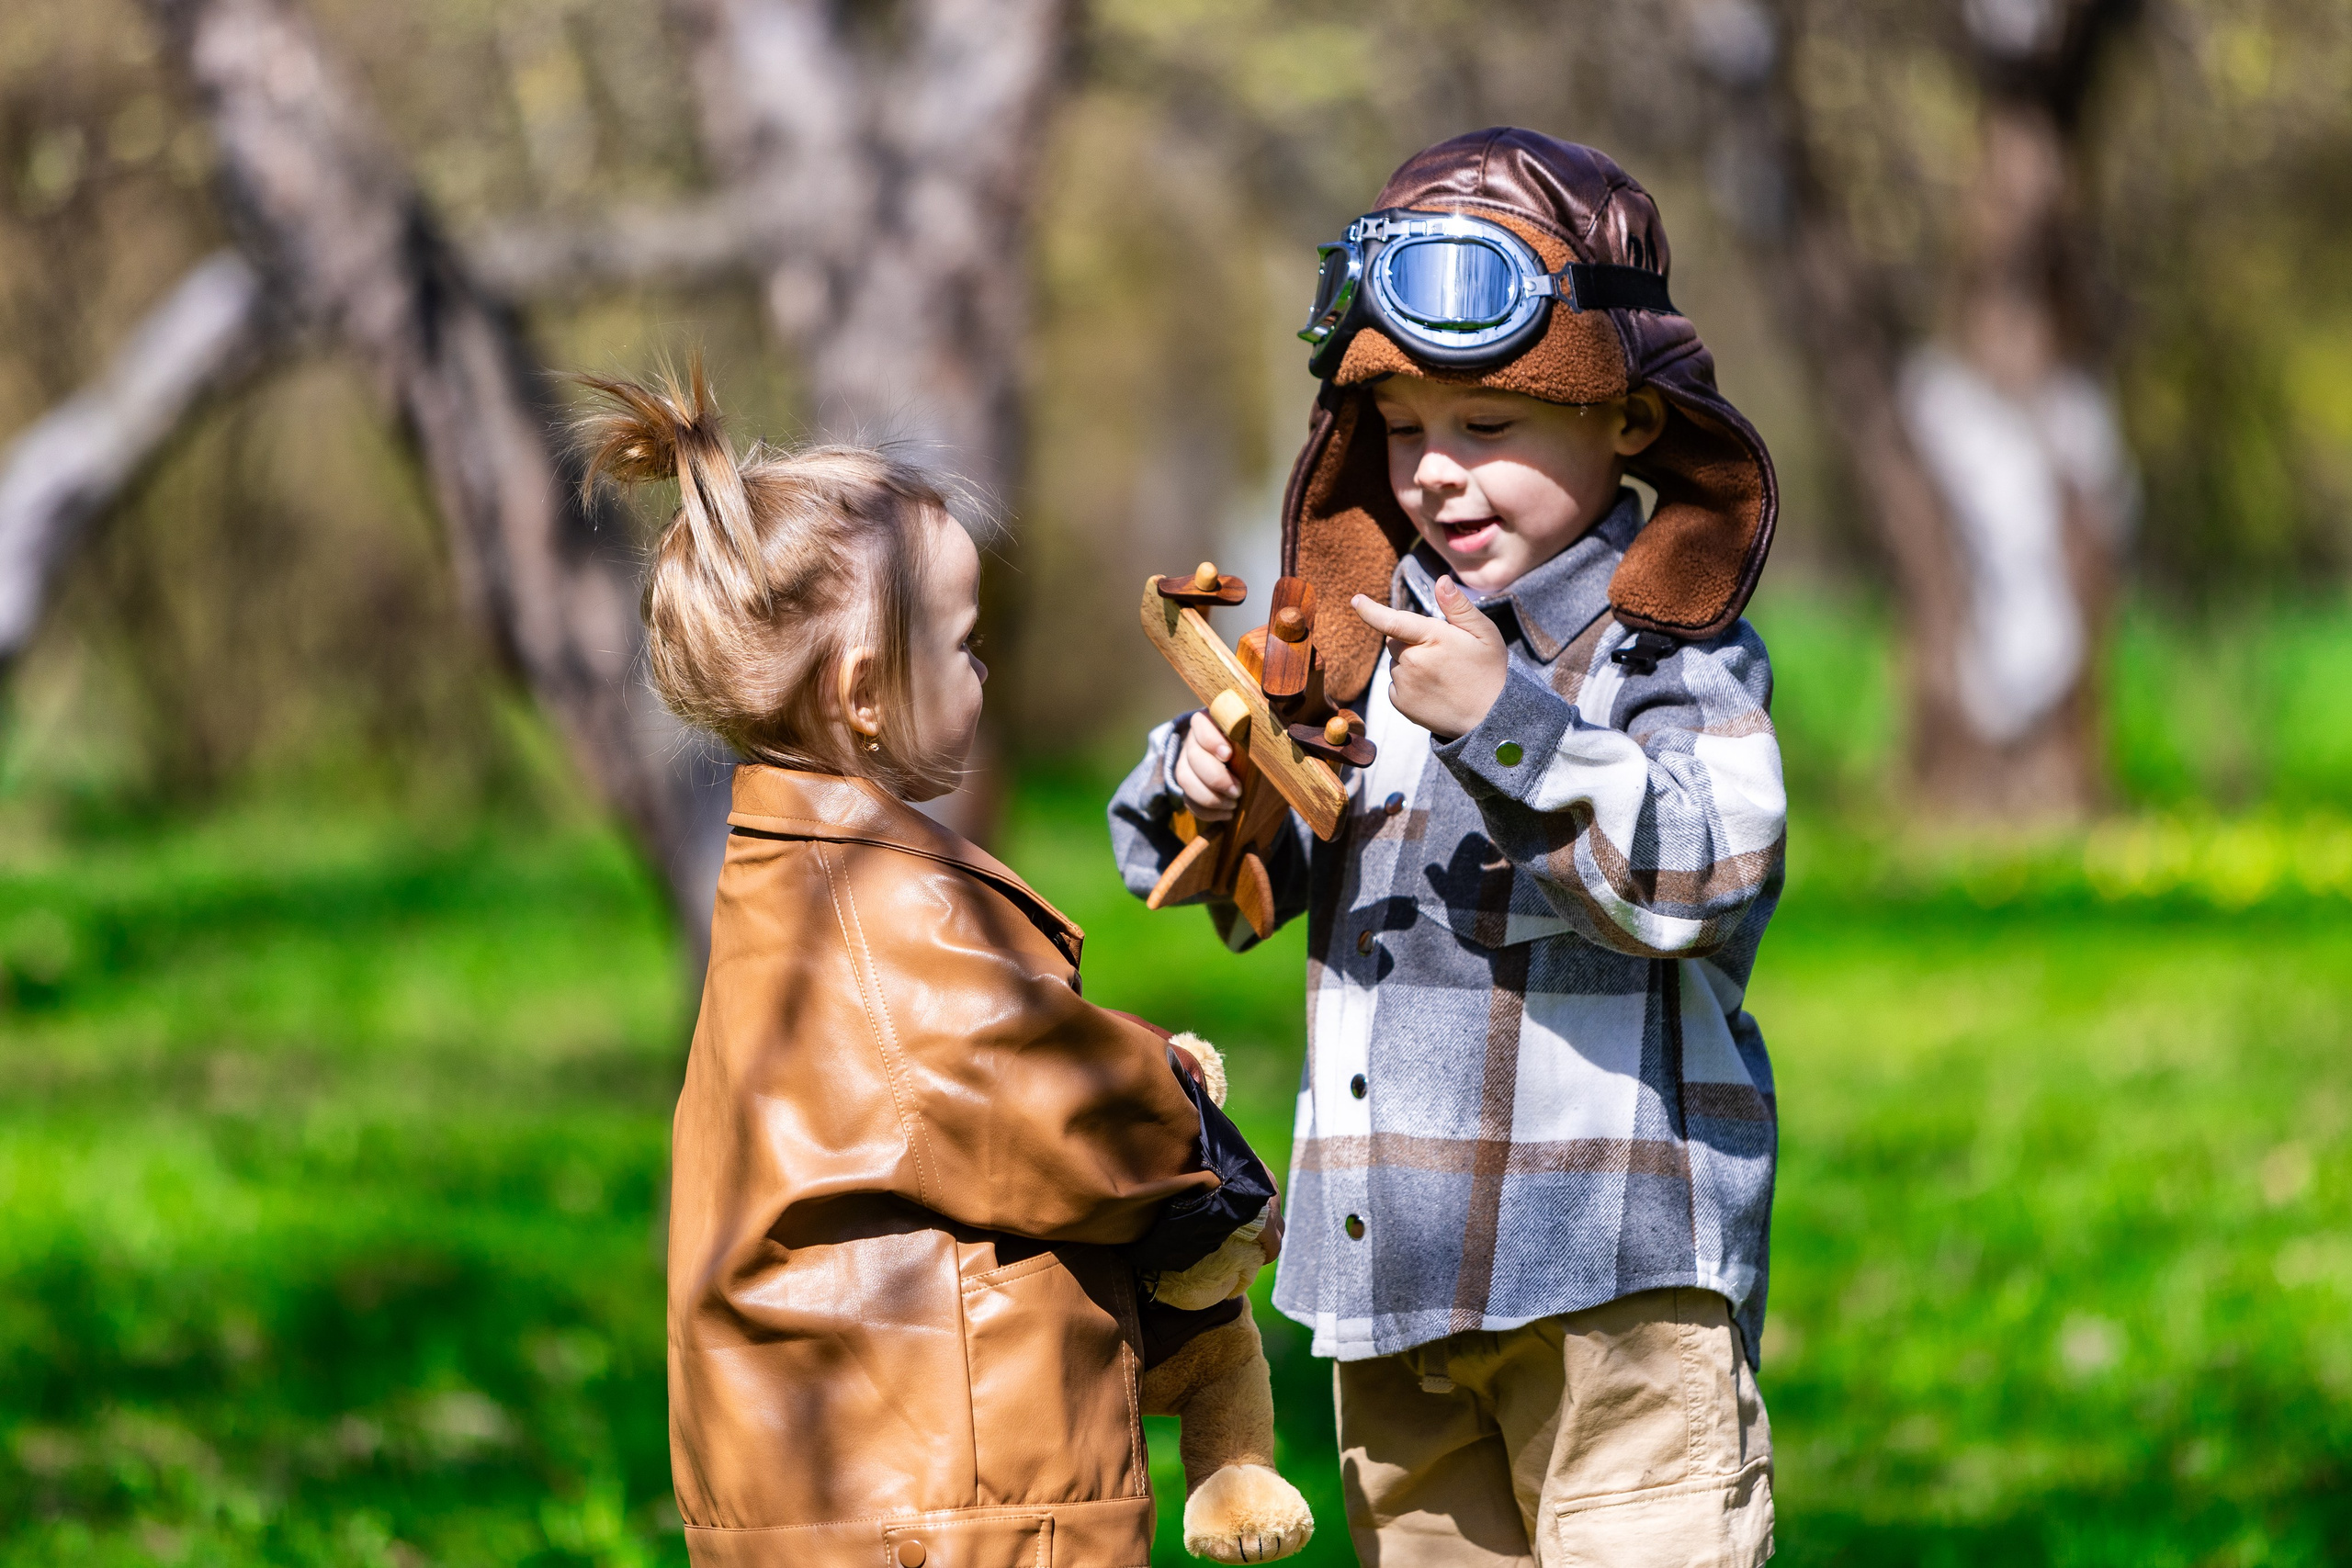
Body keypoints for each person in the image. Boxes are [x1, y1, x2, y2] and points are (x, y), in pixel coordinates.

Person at [1110, 129, 1786, 1567]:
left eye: (1487, 426)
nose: (1437, 476)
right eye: (1405, 429)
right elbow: (1231, 885)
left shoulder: (1668, 653)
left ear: (1628, 420)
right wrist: (1212, 772)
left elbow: (1710, 879)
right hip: (1394, 1290)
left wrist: (1510, 725)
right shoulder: (1360, 650)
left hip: (1615, 1288)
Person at [575, 365, 1280, 1568]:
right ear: (864, 695)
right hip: (948, 1511)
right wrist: (1187, 1119)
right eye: (964, 645)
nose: (985, 672)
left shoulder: (790, 886)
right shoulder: (879, 910)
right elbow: (1042, 1092)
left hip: (838, 1492)